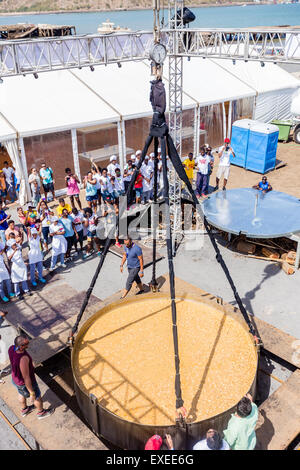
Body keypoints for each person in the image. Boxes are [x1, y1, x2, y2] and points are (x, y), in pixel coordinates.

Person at [8, 334, 54, 419]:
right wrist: (32, 393)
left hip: (15, 379)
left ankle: (25, 409)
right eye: (26, 343)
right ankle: (41, 413)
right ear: (21, 346)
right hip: (26, 383)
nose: (28, 345)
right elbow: (26, 377)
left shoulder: (11, 348)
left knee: (21, 393)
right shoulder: (23, 359)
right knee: (37, 397)